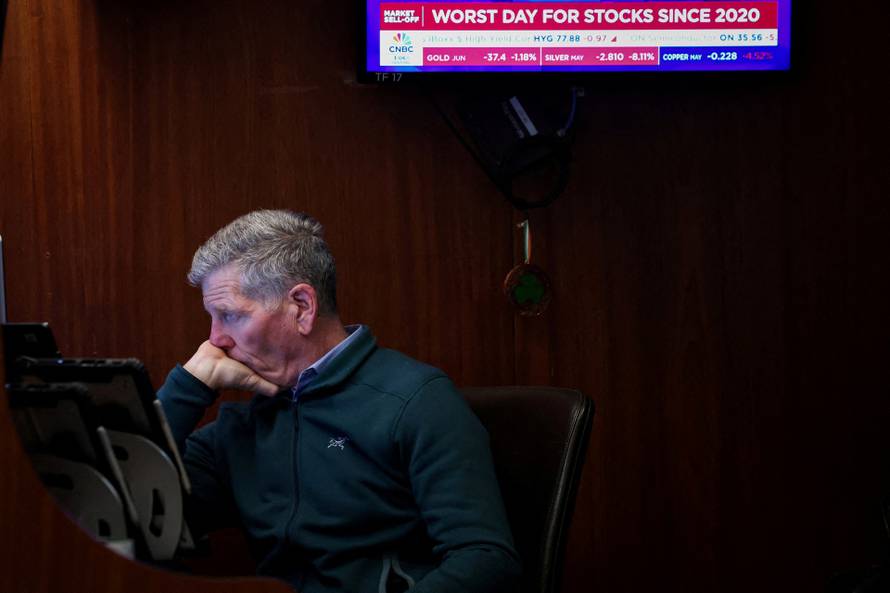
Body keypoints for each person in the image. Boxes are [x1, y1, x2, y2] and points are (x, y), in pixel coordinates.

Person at [157, 210, 520, 593]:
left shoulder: (416, 401)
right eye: (212, 318)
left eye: (229, 315)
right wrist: (189, 387)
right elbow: (126, 507)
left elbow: (486, 561)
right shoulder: (246, 424)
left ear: (302, 306)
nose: (215, 340)